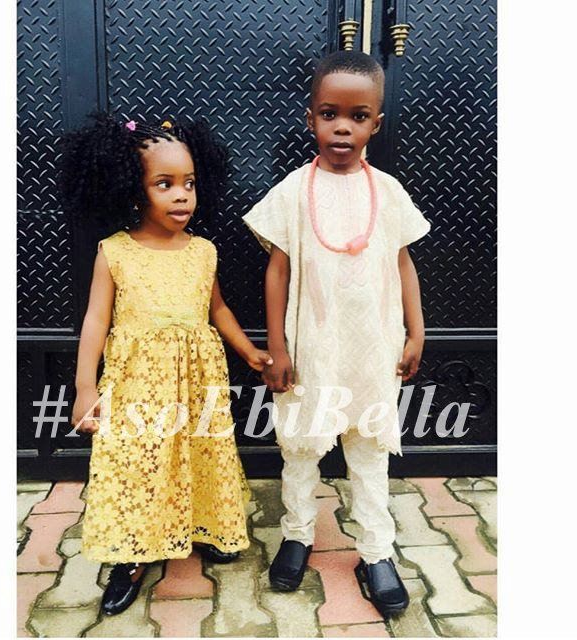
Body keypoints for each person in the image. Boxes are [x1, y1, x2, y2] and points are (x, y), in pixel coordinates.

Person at [59, 113, 272, 616]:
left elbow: (217, 309)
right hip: (137, 384)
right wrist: (85, 388)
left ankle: (207, 525)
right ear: (133, 190)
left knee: (201, 451)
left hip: (198, 382)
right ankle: (133, 554)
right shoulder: (115, 252)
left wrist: (249, 351)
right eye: (165, 184)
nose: (182, 196)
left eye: (189, 184)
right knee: (139, 464)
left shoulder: (203, 251)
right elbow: (95, 320)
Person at [242, 51, 431, 619]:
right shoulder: (293, 191)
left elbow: (403, 264)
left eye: (357, 116)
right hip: (311, 348)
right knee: (301, 446)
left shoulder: (388, 192)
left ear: (376, 123)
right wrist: (277, 346)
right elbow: (277, 270)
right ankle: (297, 534)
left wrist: (416, 331)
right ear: (311, 119)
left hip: (372, 348)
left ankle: (375, 550)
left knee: (369, 449)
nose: (342, 127)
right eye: (330, 114)